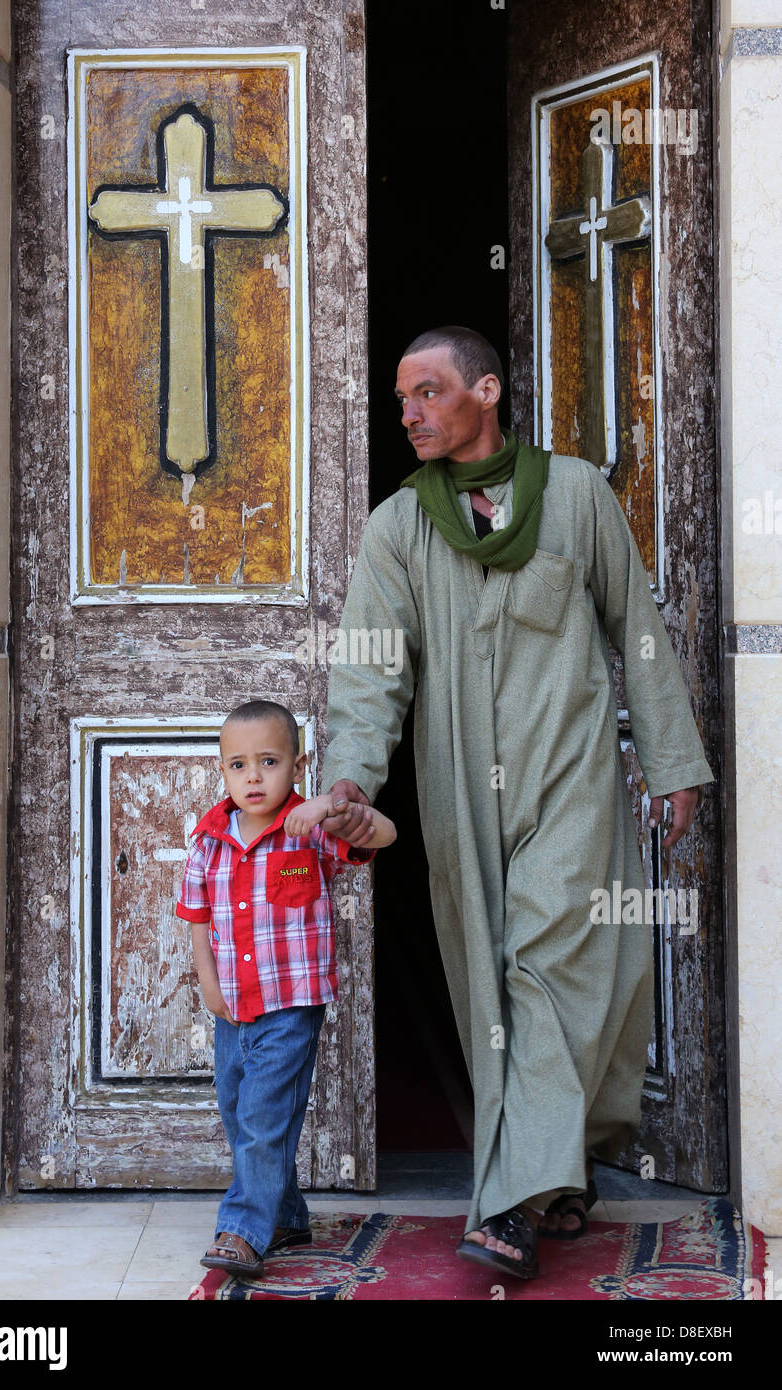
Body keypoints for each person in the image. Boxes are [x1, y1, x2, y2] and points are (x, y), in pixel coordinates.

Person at [317, 325, 714, 1281]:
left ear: (487, 392)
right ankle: (557, 1170)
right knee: (491, 984)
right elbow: (373, 671)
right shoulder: (398, 528)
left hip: (570, 777)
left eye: (429, 392)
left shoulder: (574, 496)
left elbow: (640, 630)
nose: (408, 412)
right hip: (460, 789)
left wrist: (674, 764)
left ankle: (507, 1204)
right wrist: (349, 778)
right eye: (402, 396)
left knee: (549, 970)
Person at [175, 699, 396, 1277]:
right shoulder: (208, 840)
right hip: (234, 1007)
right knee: (237, 1108)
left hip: (291, 1007)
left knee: (263, 1115)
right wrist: (207, 983)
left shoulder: (312, 831)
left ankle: (242, 1230)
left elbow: (386, 834)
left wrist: (333, 806)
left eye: (269, 762)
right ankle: (287, 1215)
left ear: (297, 767)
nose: (253, 776)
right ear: (222, 771)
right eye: (238, 765)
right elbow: (197, 919)